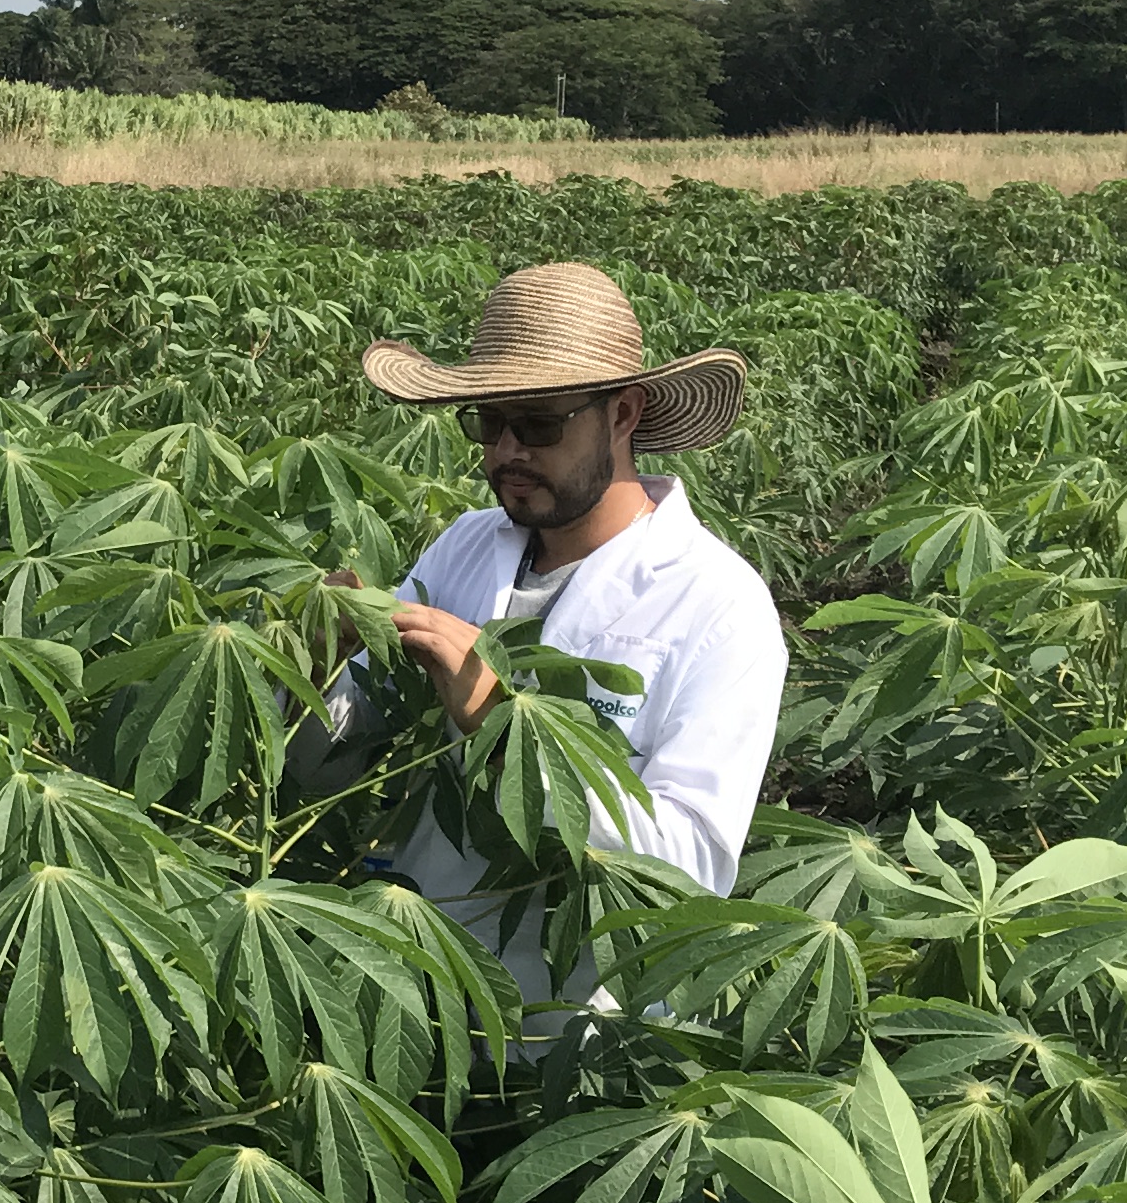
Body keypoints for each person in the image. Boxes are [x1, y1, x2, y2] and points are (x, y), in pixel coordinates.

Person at [294, 262, 784, 1017]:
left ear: (623, 414)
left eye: (540, 424)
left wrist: (502, 726)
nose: (505, 452)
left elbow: (688, 871)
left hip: (570, 1039)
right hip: (403, 989)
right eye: (488, 424)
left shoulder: (718, 604)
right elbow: (326, 775)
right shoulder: (462, 545)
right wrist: (316, 672)